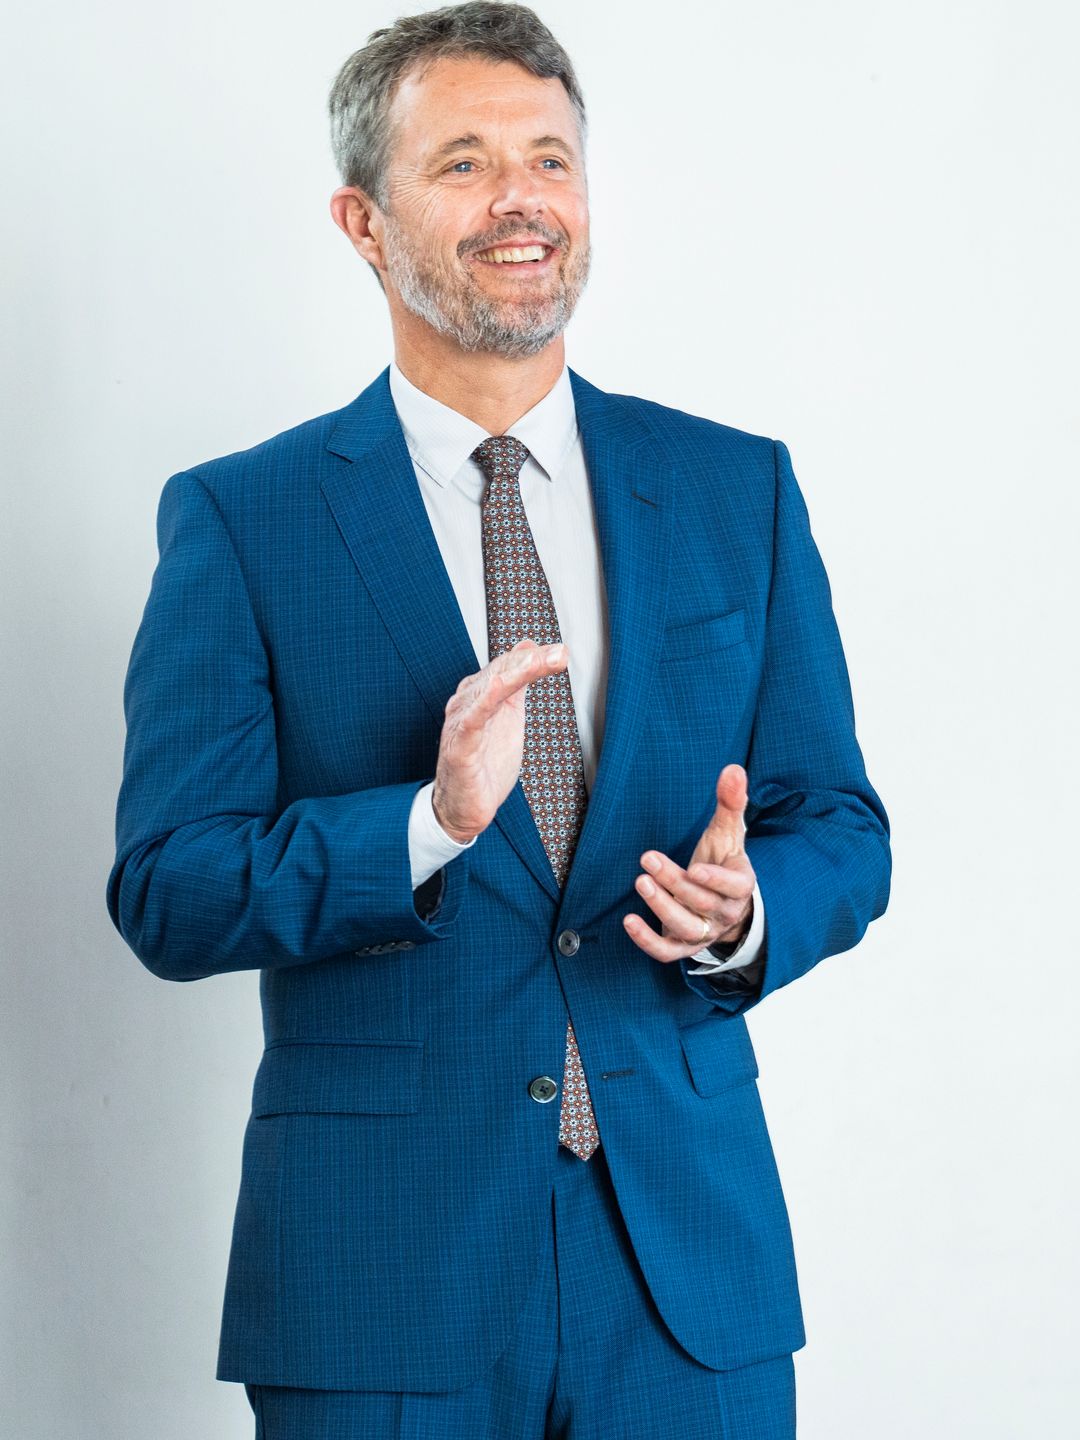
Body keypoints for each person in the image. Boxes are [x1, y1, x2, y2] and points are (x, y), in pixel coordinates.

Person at [106, 4, 890, 1436]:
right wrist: (424, 826)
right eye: (463, 162)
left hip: (685, 1278)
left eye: (549, 157)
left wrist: (746, 909)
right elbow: (166, 889)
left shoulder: (737, 493)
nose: (521, 197)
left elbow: (837, 822)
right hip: (382, 1281)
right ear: (364, 219)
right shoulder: (245, 520)